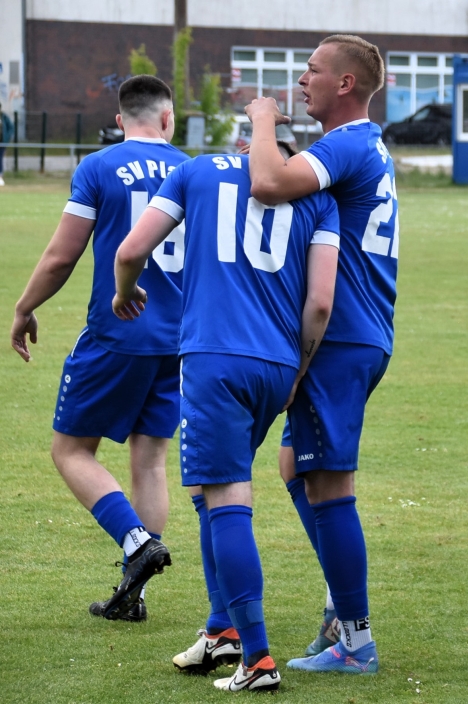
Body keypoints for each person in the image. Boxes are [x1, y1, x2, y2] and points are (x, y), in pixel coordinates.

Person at [113, 143, 340, 692]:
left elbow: (130, 250)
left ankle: (257, 659)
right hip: (277, 364)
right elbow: (319, 303)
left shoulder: (195, 171)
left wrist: (125, 291)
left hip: (214, 358)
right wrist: (298, 369)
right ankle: (223, 629)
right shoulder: (318, 198)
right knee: (207, 490)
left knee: (226, 497)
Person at [244, 34, 398, 674]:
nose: (302, 80)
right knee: (294, 465)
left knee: (331, 484)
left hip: (340, 336)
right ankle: (341, 605)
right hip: (357, 332)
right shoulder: (363, 143)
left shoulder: (347, 142)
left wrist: (261, 121)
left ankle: (355, 641)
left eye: (312, 70)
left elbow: (268, 183)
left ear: (345, 84)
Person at [9, 76, 184, 621]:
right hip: (180, 339)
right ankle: (135, 597)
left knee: (70, 450)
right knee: (150, 460)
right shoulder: (192, 168)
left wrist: (24, 307)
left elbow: (62, 256)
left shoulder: (99, 166)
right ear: (168, 118)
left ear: (119, 120)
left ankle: (136, 542)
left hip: (118, 331)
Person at [0, 101, 13, 186]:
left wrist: (6, 139)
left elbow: (11, 128)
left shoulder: (4, 117)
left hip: (2, 143)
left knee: (0, 158)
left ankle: (0, 176)